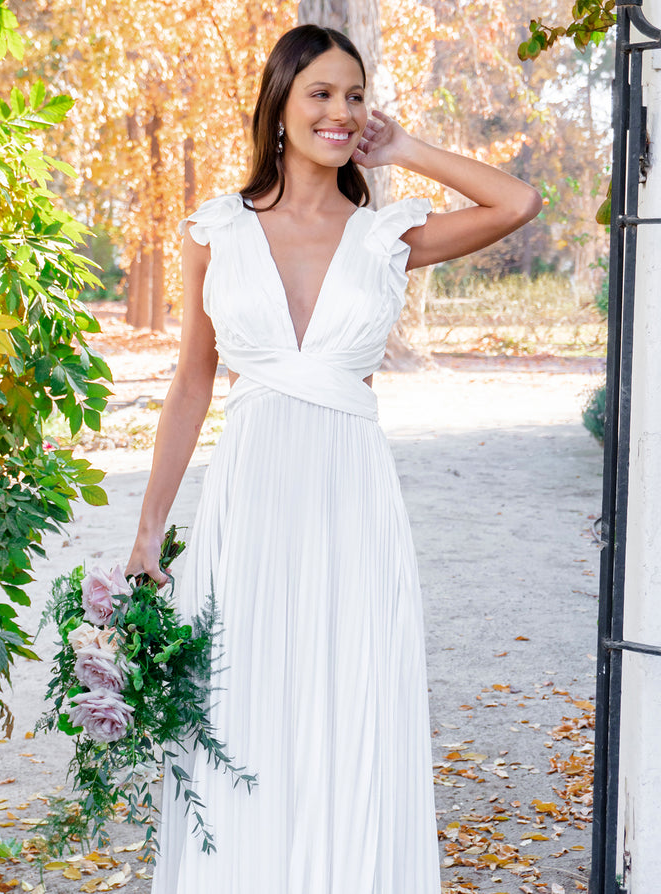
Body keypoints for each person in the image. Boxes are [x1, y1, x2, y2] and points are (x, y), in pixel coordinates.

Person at [125, 22, 541, 894]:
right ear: (278, 105)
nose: (342, 111)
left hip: (353, 505)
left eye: (354, 95)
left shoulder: (386, 234)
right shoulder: (216, 231)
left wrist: (407, 145)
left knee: (349, 709)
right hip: (250, 505)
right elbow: (192, 385)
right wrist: (148, 532)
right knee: (243, 713)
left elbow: (517, 203)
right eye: (321, 92)